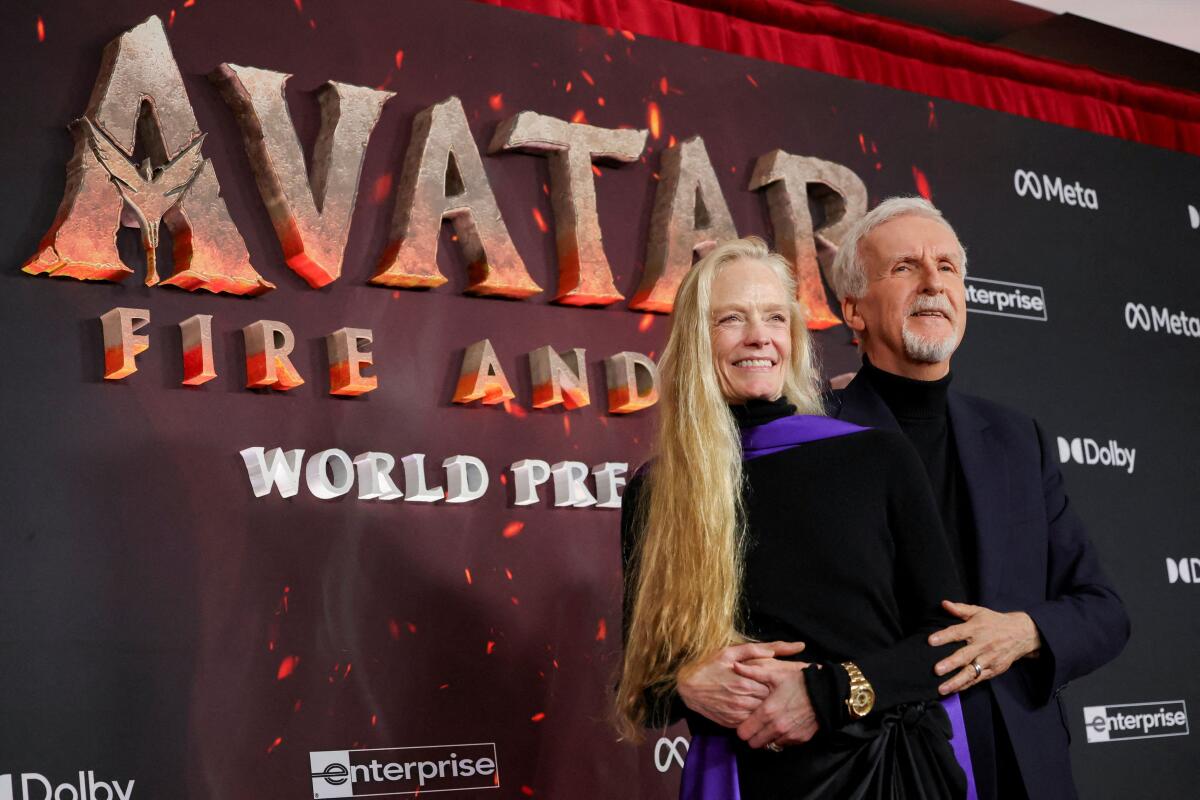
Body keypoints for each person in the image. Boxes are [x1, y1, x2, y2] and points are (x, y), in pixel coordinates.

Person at [616, 237, 972, 799]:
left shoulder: (876, 457)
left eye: (775, 317)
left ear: (794, 336)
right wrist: (684, 686)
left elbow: (956, 641)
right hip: (740, 780)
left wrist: (829, 693)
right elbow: (641, 683)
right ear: (693, 341)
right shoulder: (657, 489)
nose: (759, 336)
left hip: (889, 774)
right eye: (731, 318)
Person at [825, 197, 1130, 800]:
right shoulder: (813, 435)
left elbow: (1103, 610)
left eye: (949, 267)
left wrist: (1025, 630)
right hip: (878, 766)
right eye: (905, 267)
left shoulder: (1017, 438)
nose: (934, 283)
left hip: (1022, 765)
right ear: (853, 309)